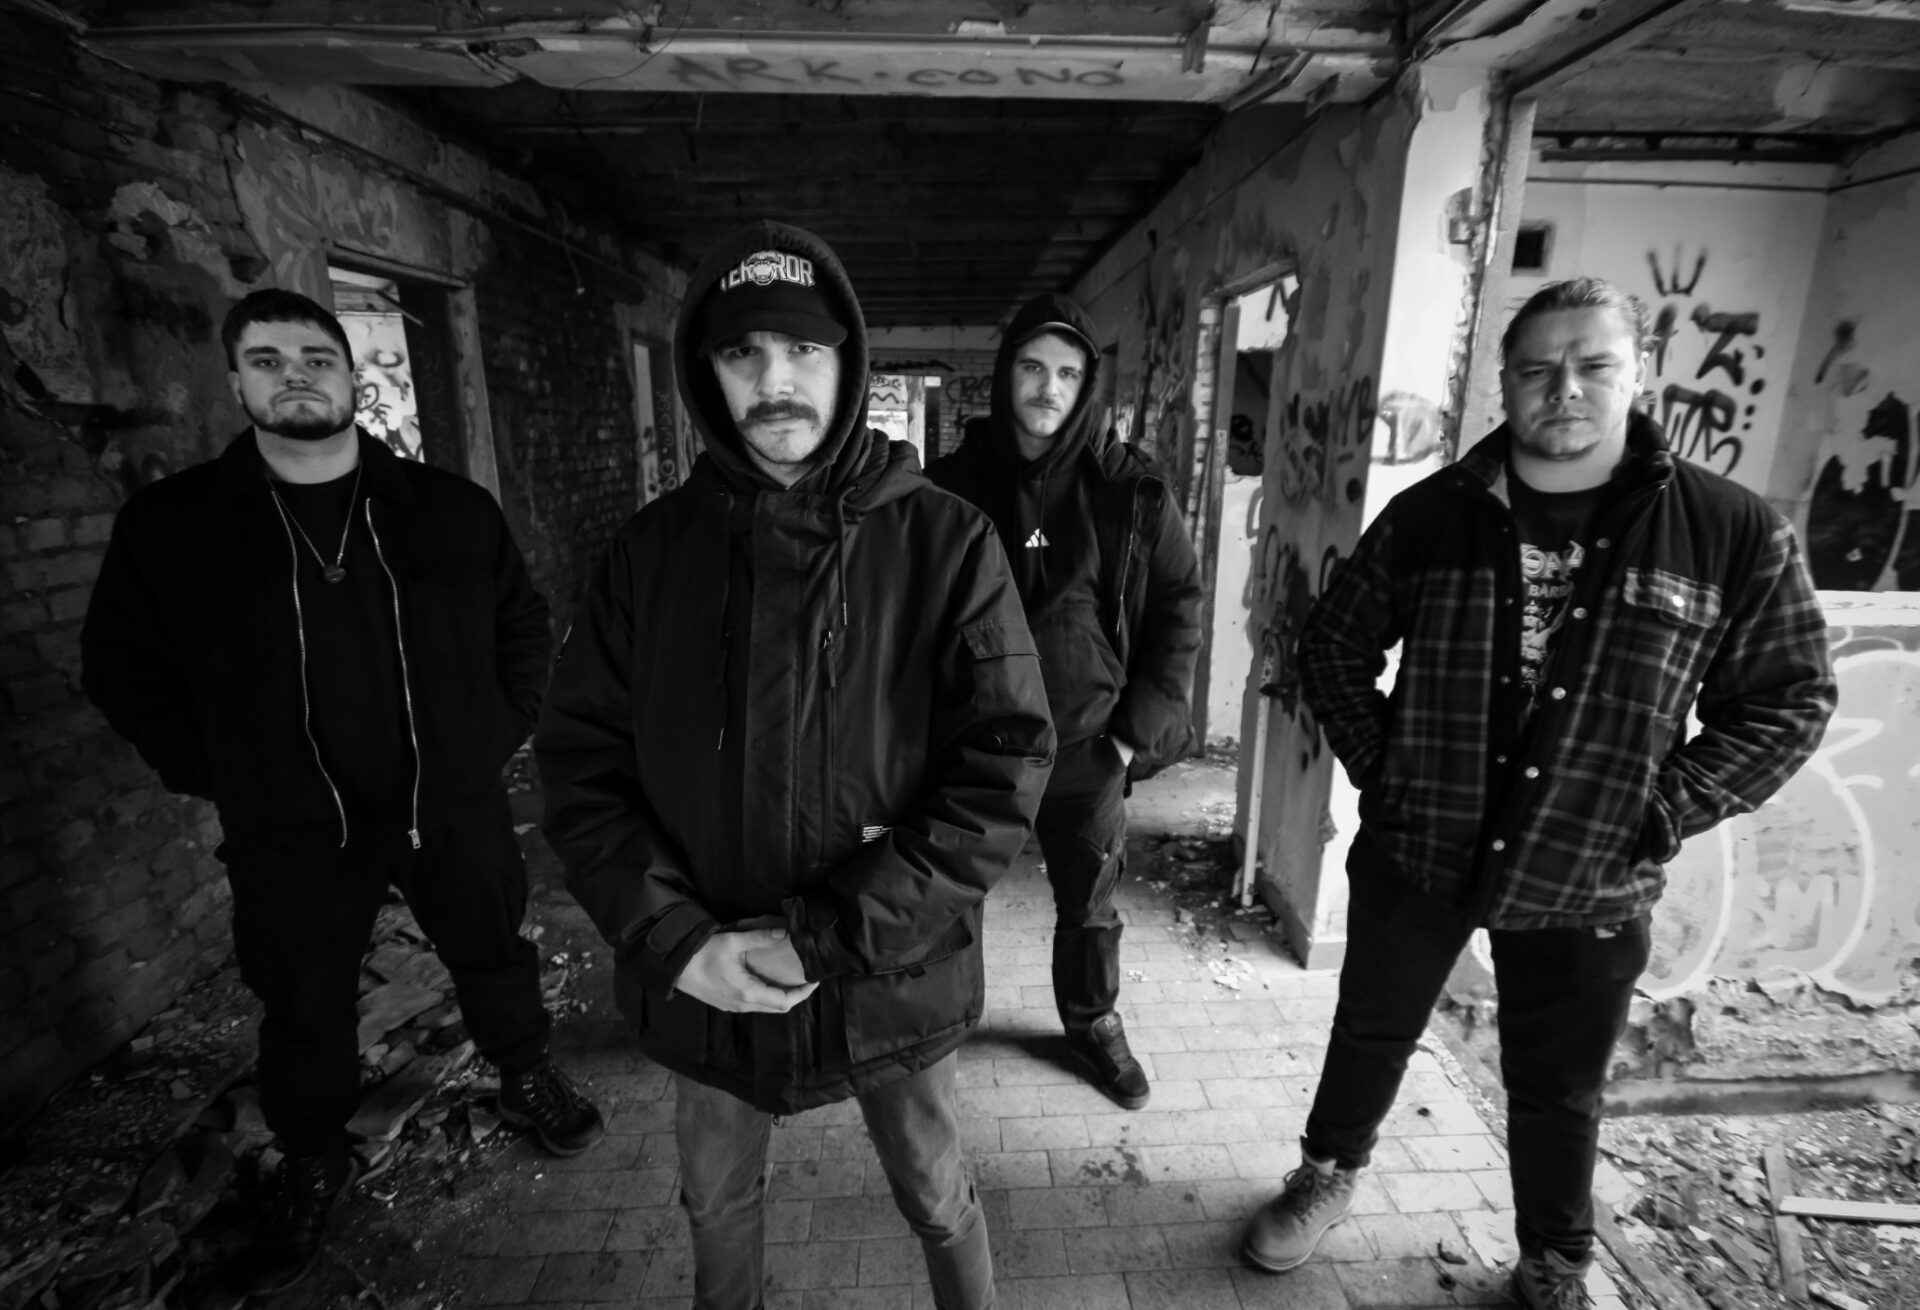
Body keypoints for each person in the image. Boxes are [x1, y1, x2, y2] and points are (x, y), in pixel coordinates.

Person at [1241, 277, 1837, 1308]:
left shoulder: (1727, 530)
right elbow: (1332, 645)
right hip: (1421, 847)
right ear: (1505, 381)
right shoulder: (1433, 518)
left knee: (1560, 1084)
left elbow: (1789, 698)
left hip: (1589, 869)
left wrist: (1667, 807)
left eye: (1594, 363)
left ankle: (1555, 1258)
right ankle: (1326, 1173)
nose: (1565, 387)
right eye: (1537, 368)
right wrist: (1387, 769)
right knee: (1371, 1028)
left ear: (1639, 373)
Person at [535, 221, 1054, 1310]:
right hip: (707, 971)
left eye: (804, 350)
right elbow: (583, 767)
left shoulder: (947, 545)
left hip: (888, 969)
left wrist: (827, 932)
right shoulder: (647, 558)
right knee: (715, 1199)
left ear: (848, 362)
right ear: (705, 371)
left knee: (936, 1188)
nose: (775, 382)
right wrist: (676, 941)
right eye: (743, 352)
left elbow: (1002, 767)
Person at [81, 288, 604, 1296]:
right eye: (268, 360)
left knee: (493, 950)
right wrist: (216, 768)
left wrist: (495, 732)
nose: (296, 376)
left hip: (445, 803)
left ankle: (525, 1073)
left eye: (316, 357)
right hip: (290, 825)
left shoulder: (446, 509)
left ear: (352, 376)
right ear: (235, 381)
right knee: (303, 999)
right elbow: (123, 667)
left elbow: (523, 623)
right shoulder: (176, 527)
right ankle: (314, 1155)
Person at [926, 292, 1203, 1110]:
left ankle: (1092, 1022)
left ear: (1087, 385)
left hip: (1088, 746)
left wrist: (1132, 738)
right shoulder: (949, 489)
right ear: (1005, 372)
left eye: (1068, 373)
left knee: (1090, 906)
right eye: (1033, 367)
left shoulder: (1130, 490)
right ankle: (940, 1022)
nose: (1049, 387)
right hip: (975, 750)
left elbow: (1179, 607)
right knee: (951, 896)